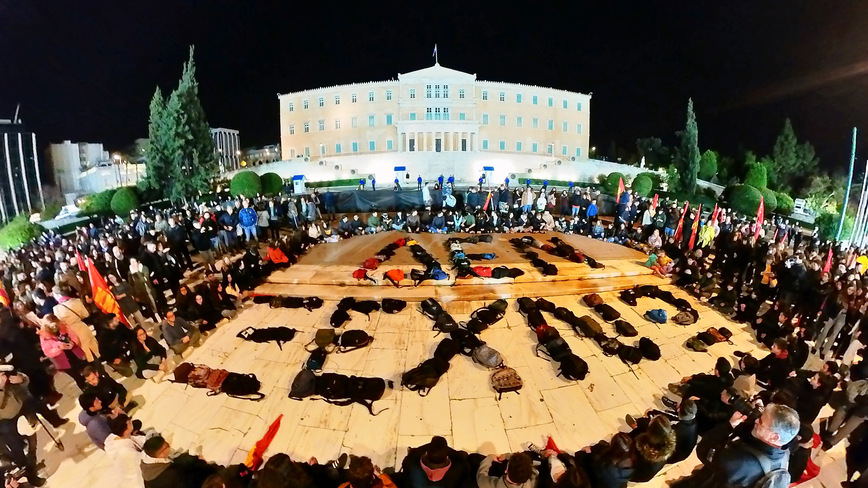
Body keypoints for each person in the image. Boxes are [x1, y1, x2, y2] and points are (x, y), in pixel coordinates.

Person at [669, 403, 800, 488]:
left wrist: (729, 426)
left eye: (761, 421)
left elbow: (704, 450)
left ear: (774, 436)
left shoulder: (742, 462)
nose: (755, 420)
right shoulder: (784, 454)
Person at [141, 435, 221, 488]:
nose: (169, 446)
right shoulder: (172, 474)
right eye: (167, 446)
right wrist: (201, 462)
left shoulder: (146, 464)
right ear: (161, 454)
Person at [400, 435, 471, 488]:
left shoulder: (413, 465)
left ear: (426, 454)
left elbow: (405, 466)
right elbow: (465, 468)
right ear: (446, 458)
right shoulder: (457, 469)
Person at [38, 318, 88, 390]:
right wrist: (59, 347)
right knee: (78, 378)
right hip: (64, 361)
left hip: (75, 354)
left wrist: (73, 342)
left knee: (87, 369)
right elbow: (48, 352)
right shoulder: (44, 336)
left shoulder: (63, 325)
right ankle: (86, 390)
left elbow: (73, 334)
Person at [105, 414, 146, 488]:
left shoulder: (121, 438)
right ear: (125, 430)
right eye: (129, 423)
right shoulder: (124, 450)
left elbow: (138, 440)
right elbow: (141, 462)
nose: (131, 422)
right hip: (138, 479)